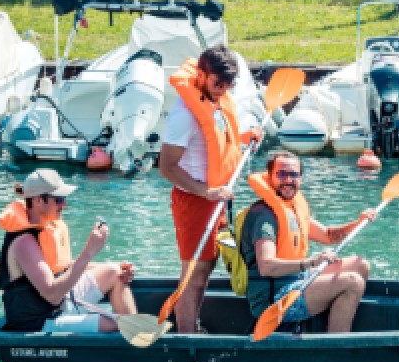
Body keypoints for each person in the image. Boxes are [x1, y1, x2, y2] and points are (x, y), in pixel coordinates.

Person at [159, 45, 258, 333]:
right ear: (201, 74)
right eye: (218, 83)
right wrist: (205, 192)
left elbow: (214, 141)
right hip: (194, 200)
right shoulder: (185, 114)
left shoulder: (216, 100)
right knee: (193, 274)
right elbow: (166, 167)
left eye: (229, 84)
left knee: (207, 269)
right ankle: (187, 337)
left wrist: (245, 137)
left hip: (216, 200)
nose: (224, 89)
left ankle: (194, 326)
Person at [239, 150, 376, 333]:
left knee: (361, 265)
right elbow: (267, 266)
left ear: (301, 178)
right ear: (270, 176)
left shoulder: (292, 208)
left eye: (294, 174)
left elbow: (328, 236)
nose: (288, 180)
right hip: (274, 299)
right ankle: (336, 347)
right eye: (282, 174)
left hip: (297, 281)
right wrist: (311, 262)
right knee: (352, 282)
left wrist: (357, 223)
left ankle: (329, 321)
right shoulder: (265, 217)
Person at [0, 168, 137, 333]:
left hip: (62, 301)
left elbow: (61, 267)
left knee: (115, 272)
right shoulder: (24, 242)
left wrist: (117, 266)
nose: (64, 204)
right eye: (59, 199)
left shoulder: (46, 227)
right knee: (120, 327)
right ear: (38, 201)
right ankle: (132, 337)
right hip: (40, 320)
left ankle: (135, 340)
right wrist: (89, 250)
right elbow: (52, 295)